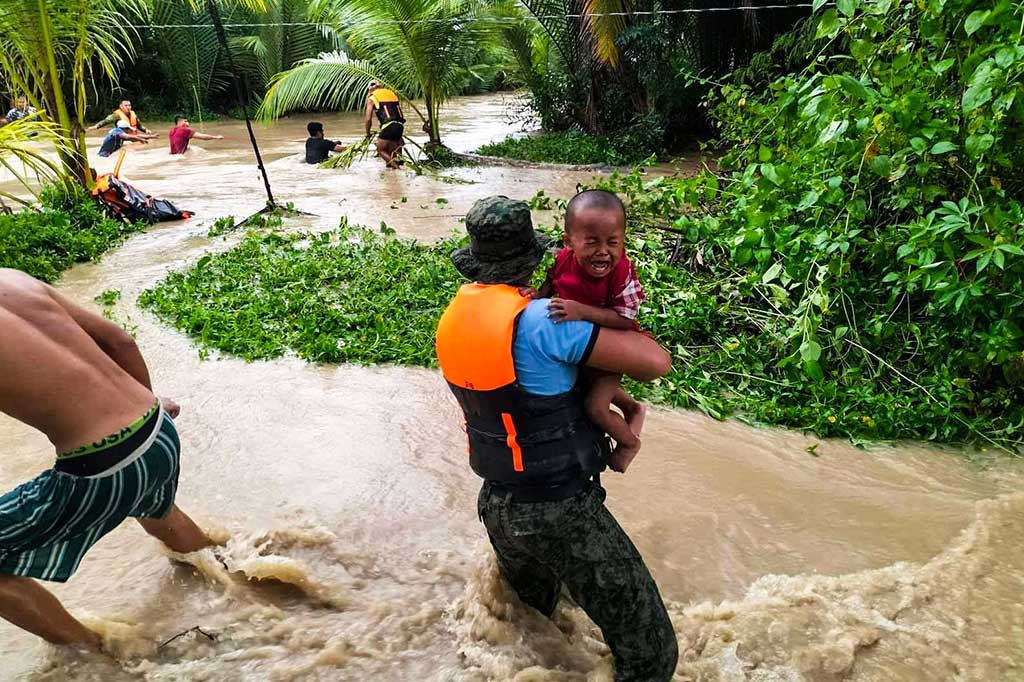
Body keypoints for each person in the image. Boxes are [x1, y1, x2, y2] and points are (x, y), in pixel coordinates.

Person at [435, 196, 678, 682]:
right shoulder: (544, 320)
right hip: (559, 509)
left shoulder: (455, 319)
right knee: (653, 655)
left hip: (497, 504)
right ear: (536, 257)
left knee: (534, 630)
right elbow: (657, 362)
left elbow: (528, 388)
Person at [0, 268, 216, 652]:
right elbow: (121, 342)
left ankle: (95, 655)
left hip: (101, 468)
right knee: (157, 509)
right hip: (157, 430)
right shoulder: (12, 279)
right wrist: (148, 403)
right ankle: (227, 577)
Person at [527, 190, 647, 470]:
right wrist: (536, 296)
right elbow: (550, 288)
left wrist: (580, 311)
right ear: (568, 242)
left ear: (623, 242)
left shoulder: (623, 273)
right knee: (581, 388)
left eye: (613, 243)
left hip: (611, 346)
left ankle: (629, 442)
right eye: (592, 243)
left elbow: (625, 320)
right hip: (580, 347)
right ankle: (633, 407)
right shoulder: (561, 261)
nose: (603, 251)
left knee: (595, 407)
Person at [364, 82, 405, 169]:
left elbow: (368, 119)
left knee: (381, 149)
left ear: (370, 90)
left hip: (389, 126)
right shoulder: (391, 94)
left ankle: (398, 170)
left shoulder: (372, 98)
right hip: (400, 125)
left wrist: (367, 134)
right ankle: (396, 176)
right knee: (392, 154)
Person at [89, 100, 156, 138]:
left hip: (134, 138)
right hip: (124, 138)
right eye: (126, 105)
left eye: (129, 105)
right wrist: (96, 126)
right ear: (121, 106)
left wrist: (146, 130)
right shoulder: (117, 115)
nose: (128, 107)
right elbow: (106, 121)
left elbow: (139, 126)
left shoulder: (133, 114)